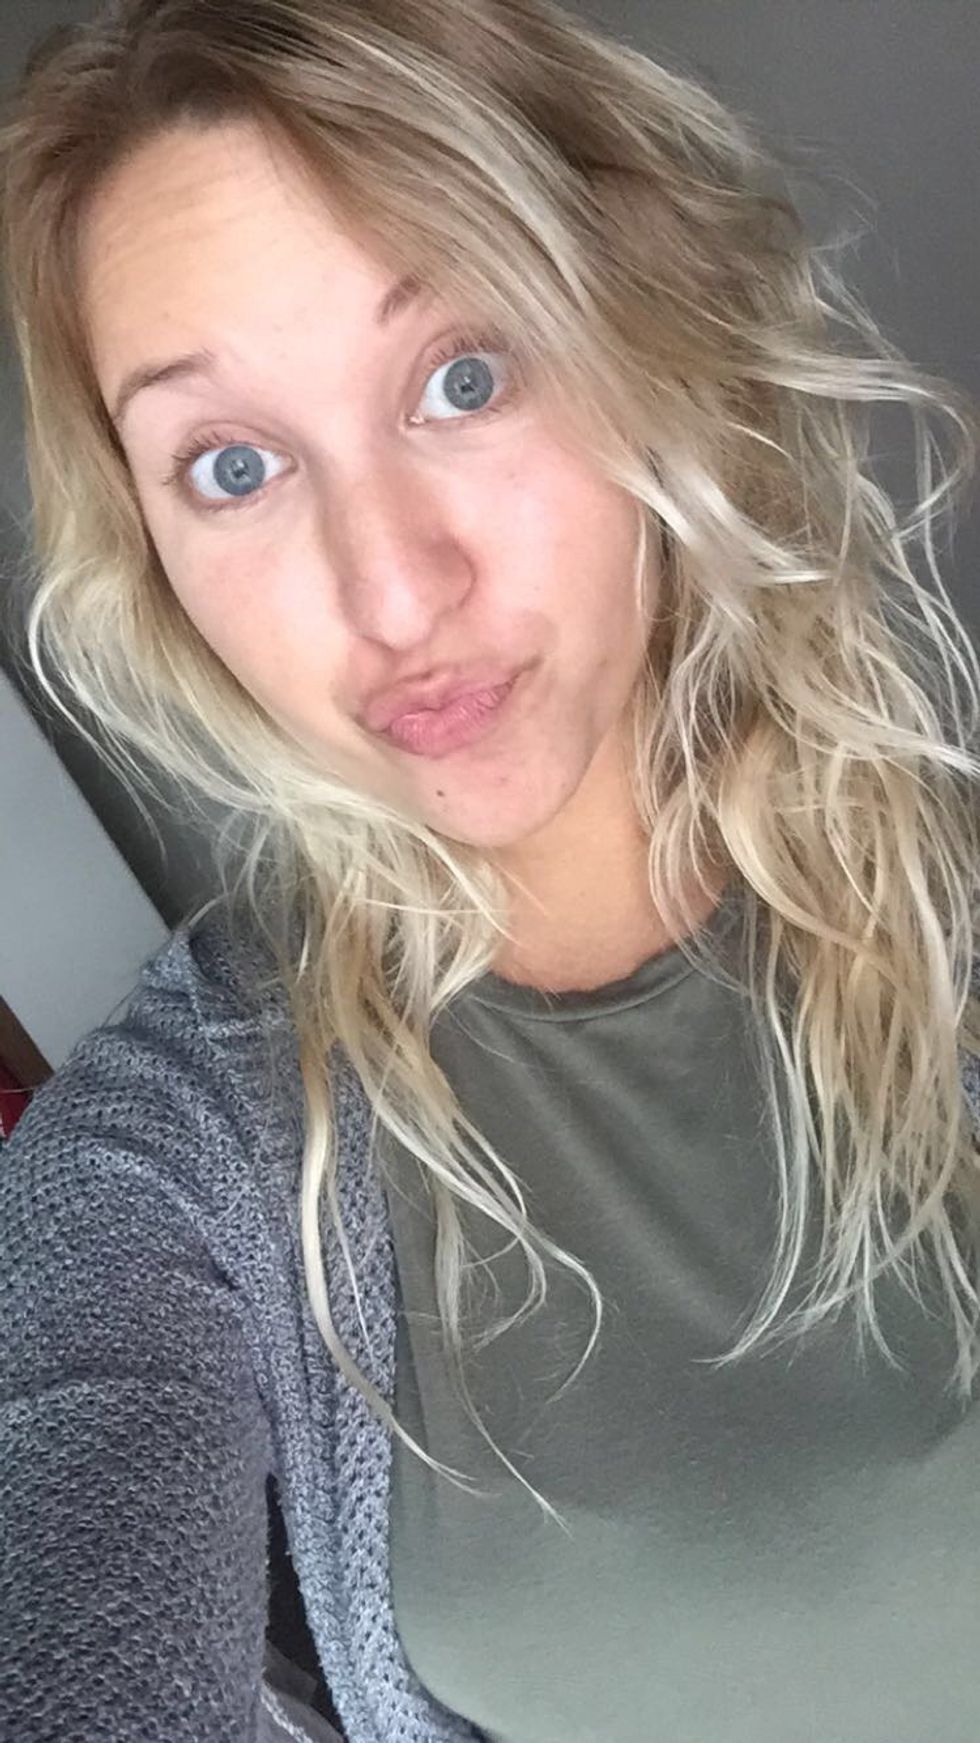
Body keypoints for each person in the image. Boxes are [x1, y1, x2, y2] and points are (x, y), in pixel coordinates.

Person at [2, 0, 980, 1738]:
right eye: (234, 466)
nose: (392, 590)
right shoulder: (175, 1159)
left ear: (648, 334)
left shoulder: (948, 895)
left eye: (464, 376)